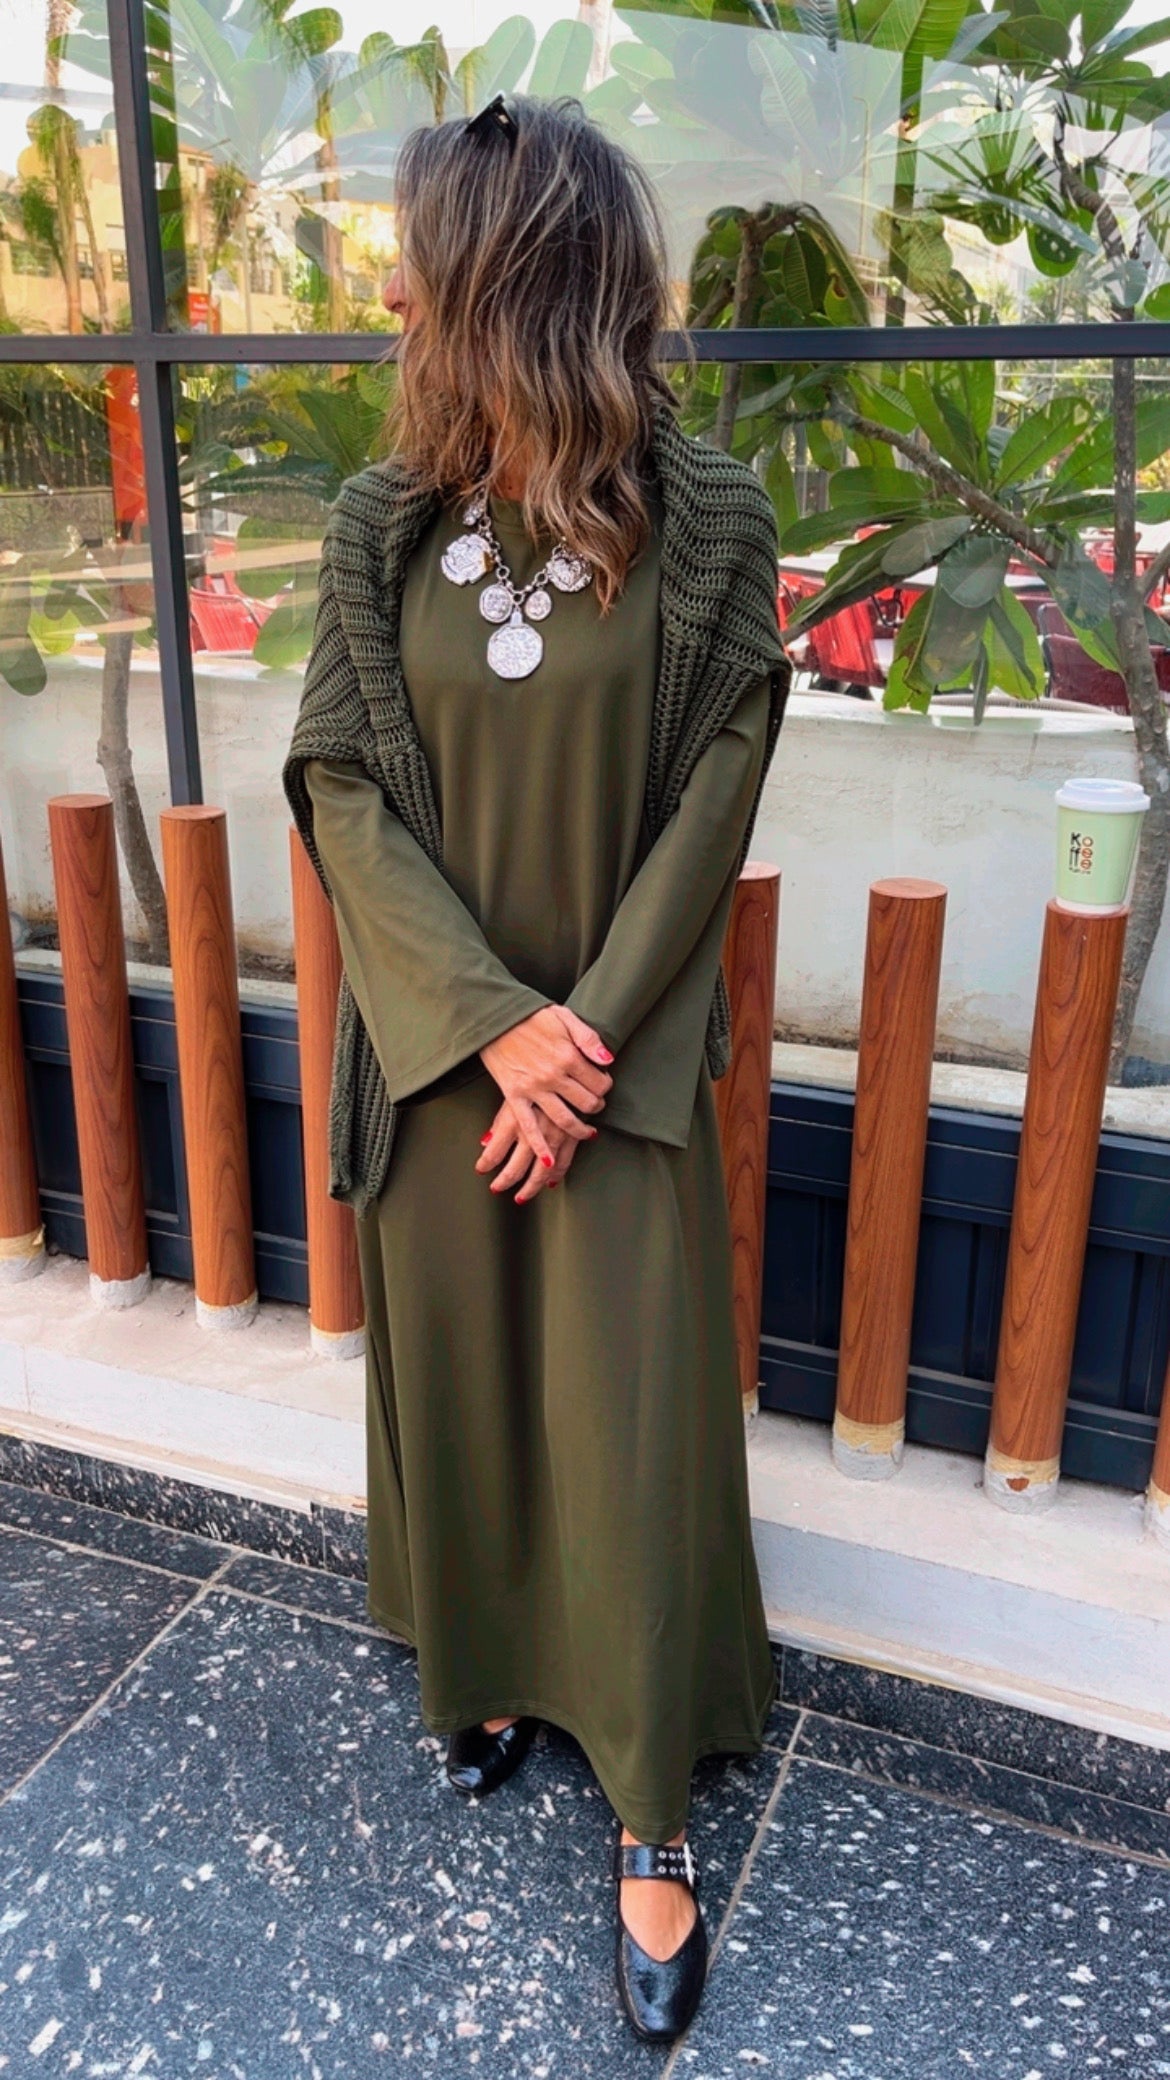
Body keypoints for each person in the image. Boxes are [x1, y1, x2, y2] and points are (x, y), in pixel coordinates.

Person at [283, 91, 790, 2046]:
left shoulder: (708, 519)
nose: (395, 296)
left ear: (517, 283)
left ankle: (650, 1806)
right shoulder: (381, 522)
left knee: (627, 1414)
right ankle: (492, 1668)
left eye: (422, 264)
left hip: (620, 1071)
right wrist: (488, 1028)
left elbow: (713, 801)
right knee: (478, 1389)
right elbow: (340, 780)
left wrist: (576, 1053)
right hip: (440, 1066)